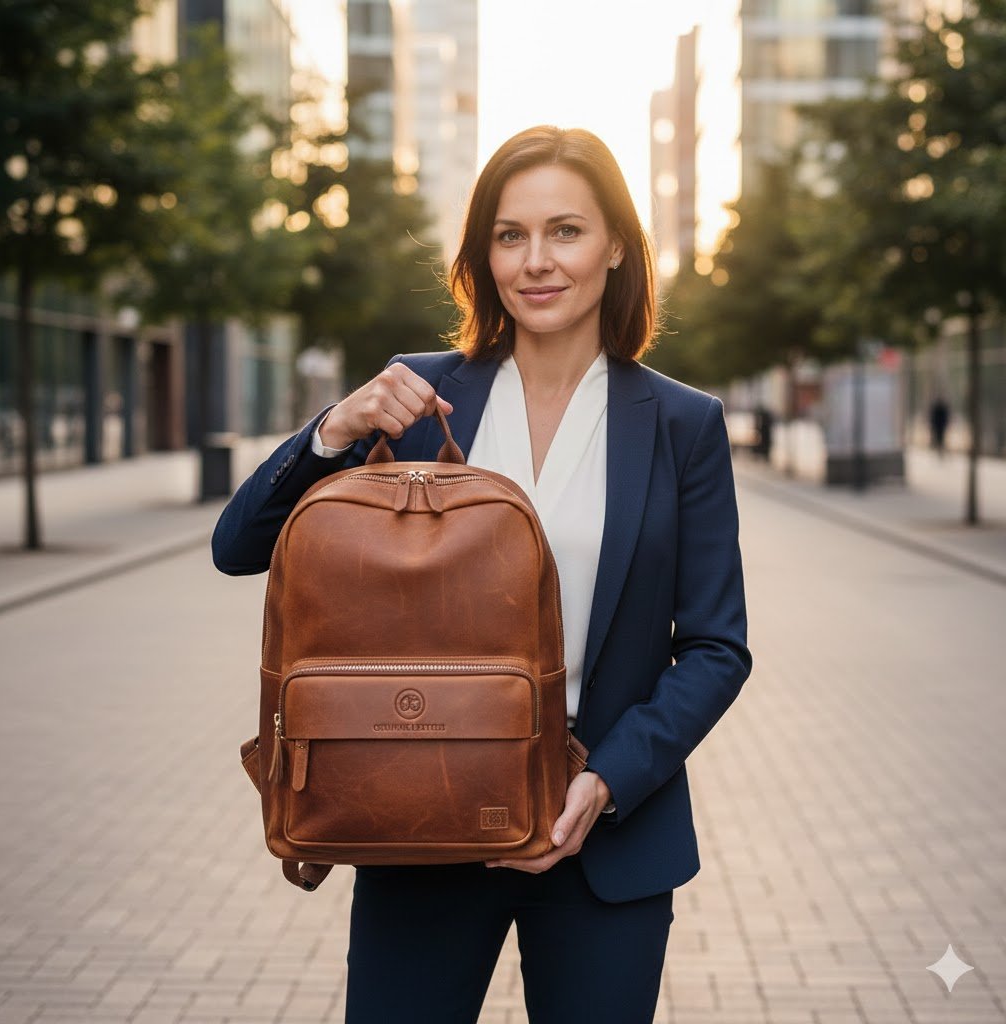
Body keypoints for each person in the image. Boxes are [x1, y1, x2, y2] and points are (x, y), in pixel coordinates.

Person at [212, 125, 751, 1024]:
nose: (536, 261)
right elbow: (239, 547)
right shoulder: (417, 401)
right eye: (510, 235)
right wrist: (332, 432)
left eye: (566, 231)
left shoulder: (681, 424)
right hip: (420, 809)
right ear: (483, 254)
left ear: (616, 244)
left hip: (603, 832)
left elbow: (713, 648)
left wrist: (605, 783)